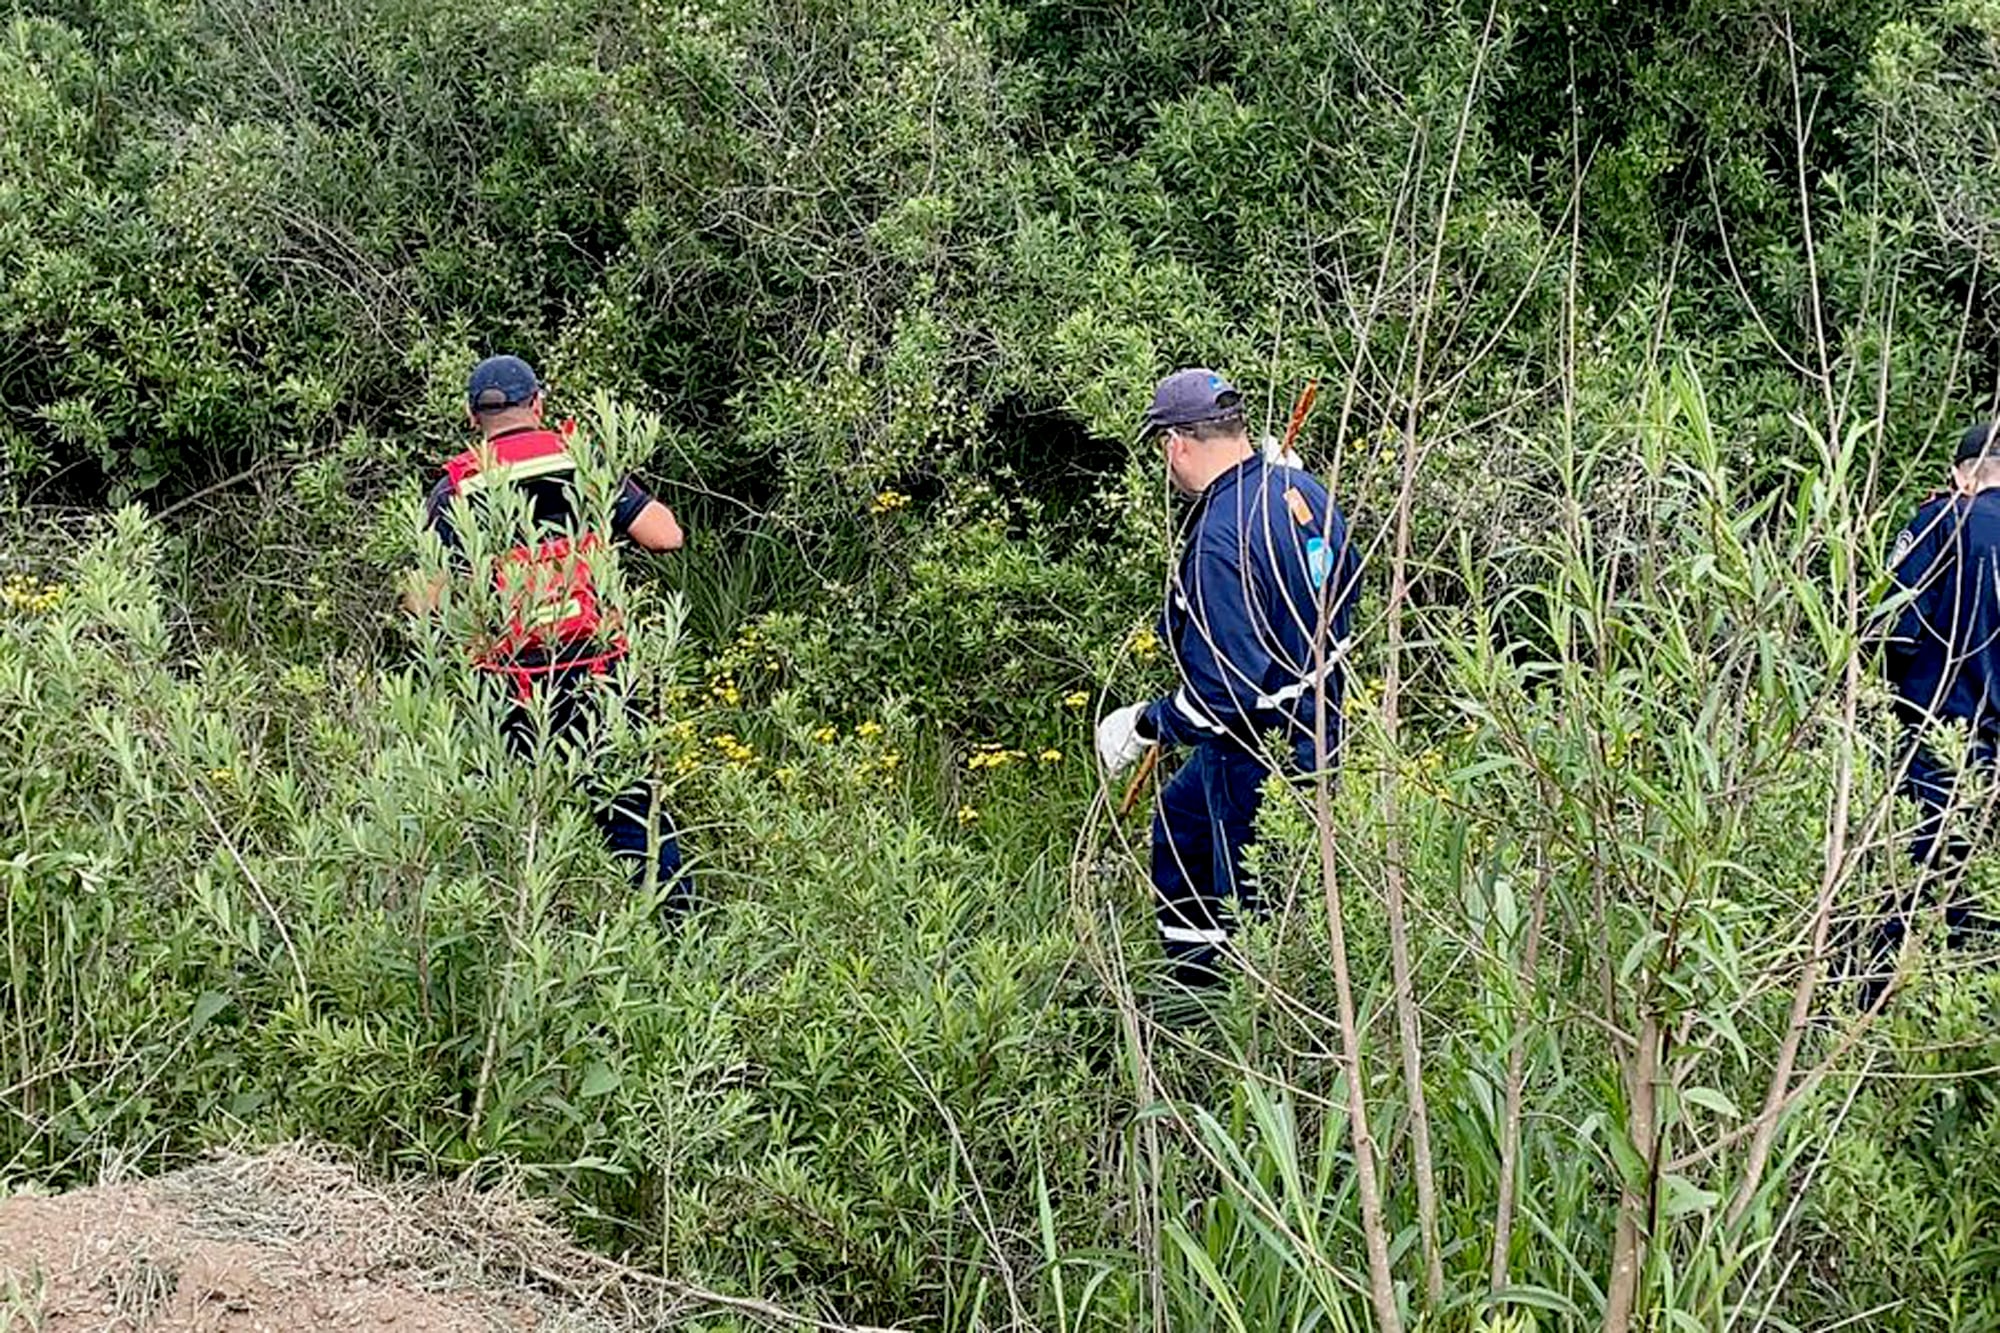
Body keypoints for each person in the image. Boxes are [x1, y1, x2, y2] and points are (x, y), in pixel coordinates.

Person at [1096, 368, 1362, 986]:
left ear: (1176, 444)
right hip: (1320, 724)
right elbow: (1345, 584)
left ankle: (1247, 1014)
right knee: (1181, 820)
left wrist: (1145, 724)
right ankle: (1193, 987)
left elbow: (1226, 692)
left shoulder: (1220, 539)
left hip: (1256, 752)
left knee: (1260, 902)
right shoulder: (1302, 490)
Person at [407, 354, 692, 915]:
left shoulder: (457, 488)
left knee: (523, 821)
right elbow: (666, 535)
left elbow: (425, 603)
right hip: (601, 670)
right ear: (537, 404)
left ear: (472, 416)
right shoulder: (580, 462)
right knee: (636, 815)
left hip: (511, 684)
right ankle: (675, 933)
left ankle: (537, 936)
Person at [1877, 419, 2000, 961]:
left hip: (1941, 736)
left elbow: (1890, 631)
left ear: (1959, 473)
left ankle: (1879, 1014)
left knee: (1917, 885)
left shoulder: (1940, 523)